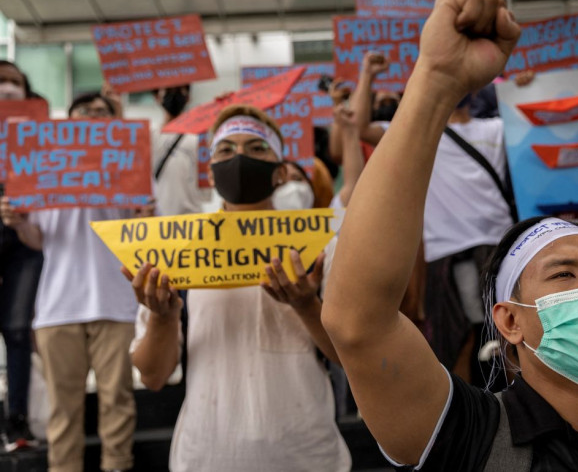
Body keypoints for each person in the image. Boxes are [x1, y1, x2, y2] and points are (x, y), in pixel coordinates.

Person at [321, 0, 578, 471]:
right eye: (564, 275)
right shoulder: (473, 436)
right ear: (508, 321)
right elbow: (358, 322)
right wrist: (436, 79)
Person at [127, 104, 351, 472]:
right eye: (226, 150)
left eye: (256, 147)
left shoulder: (320, 247)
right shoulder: (180, 251)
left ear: (280, 174)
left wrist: (307, 306)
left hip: (306, 455)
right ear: (212, 170)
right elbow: (153, 375)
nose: (240, 157)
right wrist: (164, 317)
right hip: (206, 457)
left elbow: (350, 357)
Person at [0, 92, 148, 472]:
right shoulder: (44, 170)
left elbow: (142, 233)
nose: (95, 117)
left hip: (114, 301)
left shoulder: (132, 169)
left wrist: (141, 212)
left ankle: (118, 465)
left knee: (118, 398)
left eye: (103, 112)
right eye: (86, 111)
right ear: (70, 121)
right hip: (58, 305)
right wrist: (17, 222)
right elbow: (37, 240)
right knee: (62, 405)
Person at [354, 51, 516, 385]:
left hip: (498, 248)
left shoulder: (498, 128)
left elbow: (540, 119)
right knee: (455, 342)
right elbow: (361, 127)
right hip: (446, 253)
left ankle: (519, 412)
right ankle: (473, 420)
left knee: (511, 338)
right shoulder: (417, 132)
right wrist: (367, 74)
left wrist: (525, 88)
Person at [0, 60, 44, 452]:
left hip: (24, 240)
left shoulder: (41, 131)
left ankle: (17, 421)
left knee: (17, 331)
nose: (7, 89)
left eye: (14, 82)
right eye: (1, 82)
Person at [151, 85, 211, 216]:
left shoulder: (201, 137)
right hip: (158, 220)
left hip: (193, 220)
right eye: (168, 91)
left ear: (188, 97)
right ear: (157, 97)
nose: (173, 94)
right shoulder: (150, 135)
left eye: (179, 91)